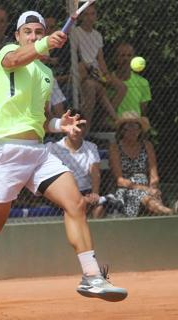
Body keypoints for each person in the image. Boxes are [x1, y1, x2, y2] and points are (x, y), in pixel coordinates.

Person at [0, 10, 127, 320]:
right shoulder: (7, 54)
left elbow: (36, 121)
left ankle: (91, 274)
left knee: (75, 202)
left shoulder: (47, 75)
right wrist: (43, 46)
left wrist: (58, 125)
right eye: (29, 32)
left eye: (39, 32)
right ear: (18, 36)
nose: (34, 36)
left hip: (37, 152)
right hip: (5, 152)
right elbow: (15, 61)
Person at [109, 111, 178, 217]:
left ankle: (167, 212)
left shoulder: (147, 146)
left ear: (140, 130)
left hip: (148, 186)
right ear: (122, 130)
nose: (132, 130)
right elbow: (120, 181)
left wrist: (153, 188)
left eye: (136, 127)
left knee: (152, 196)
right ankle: (170, 212)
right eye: (128, 127)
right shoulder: (115, 148)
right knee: (142, 195)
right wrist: (145, 189)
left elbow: (154, 174)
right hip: (127, 189)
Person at [48, 111, 117, 219]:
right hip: (63, 193)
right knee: (76, 205)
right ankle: (101, 199)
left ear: (85, 128)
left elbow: (95, 172)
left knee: (98, 210)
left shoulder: (91, 147)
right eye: (72, 125)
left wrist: (95, 193)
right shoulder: (53, 148)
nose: (76, 129)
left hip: (86, 191)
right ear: (65, 127)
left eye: (80, 125)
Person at [69, 2, 120, 130]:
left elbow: (100, 59)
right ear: (81, 17)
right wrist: (90, 68)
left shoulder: (97, 35)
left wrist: (106, 74)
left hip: (96, 70)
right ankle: (114, 120)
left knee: (121, 87)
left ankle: (105, 118)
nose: (89, 17)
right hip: (84, 69)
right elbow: (76, 56)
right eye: (86, 14)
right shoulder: (76, 32)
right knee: (98, 89)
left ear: (96, 16)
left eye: (92, 14)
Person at [111, 42, 149, 117]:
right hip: (112, 126)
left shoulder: (143, 82)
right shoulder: (107, 80)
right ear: (115, 59)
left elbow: (143, 111)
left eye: (129, 55)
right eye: (122, 55)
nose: (126, 59)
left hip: (134, 126)